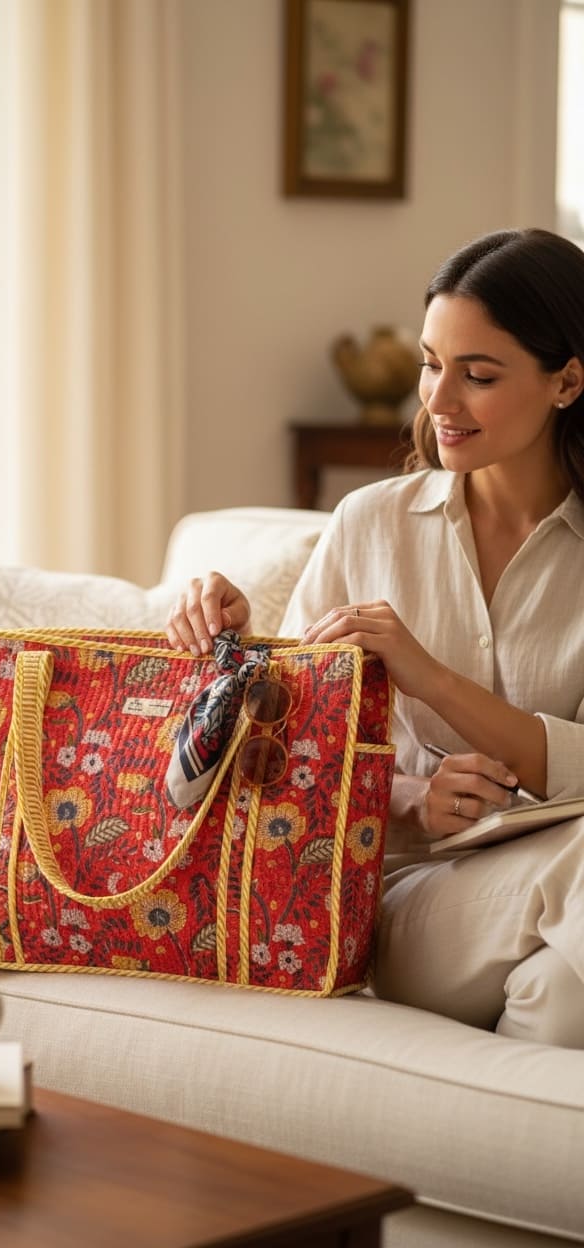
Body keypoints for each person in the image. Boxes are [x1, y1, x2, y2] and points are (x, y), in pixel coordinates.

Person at [166, 227, 584, 1048]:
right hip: (393, 899)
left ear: (567, 381)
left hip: (544, 907)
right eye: (433, 363)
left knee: (562, 996)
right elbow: (283, 759)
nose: (438, 401)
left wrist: (429, 677)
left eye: (479, 375)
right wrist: (414, 803)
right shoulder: (371, 523)